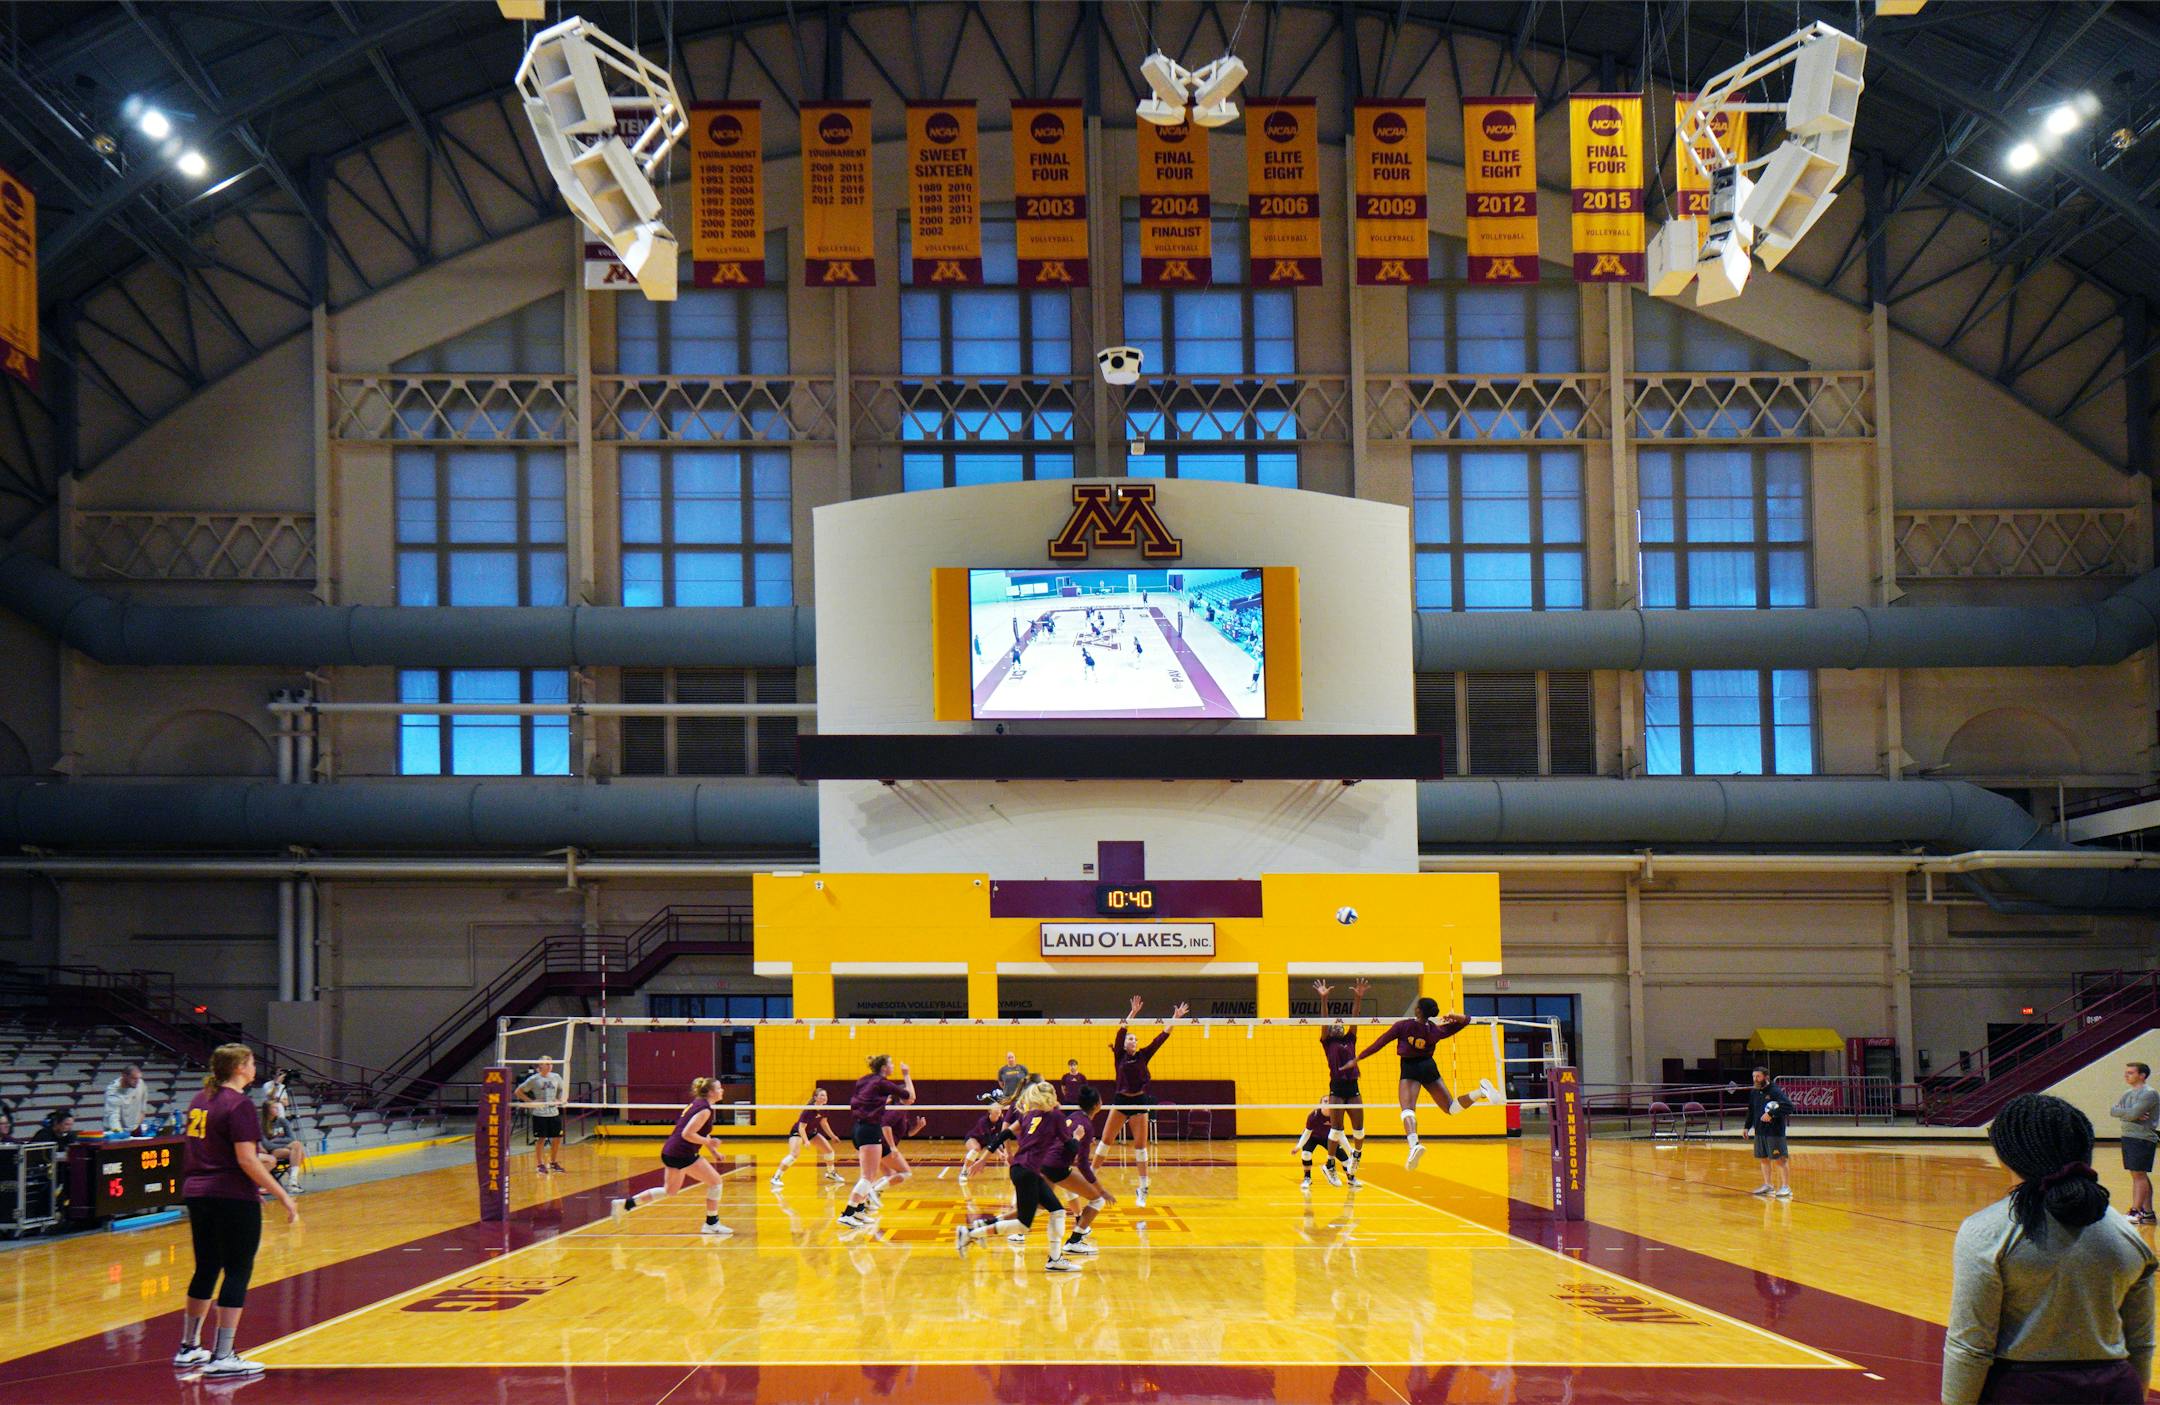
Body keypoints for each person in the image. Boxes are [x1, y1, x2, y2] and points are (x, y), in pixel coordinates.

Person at [1942, 1093, 2156, 1404]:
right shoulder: (2128, 1234)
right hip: (2114, 1389)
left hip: (2024, 1391)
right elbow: (2140, 1343)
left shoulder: (1986, 1231)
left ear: (2006, 1153)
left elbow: (1971, 1345)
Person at [175, 1043, 299, 1380]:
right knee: (237, 1270)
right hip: (229, 1194)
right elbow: (246, 1160)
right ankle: (224, 1354)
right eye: (251, 1062)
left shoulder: (201, 1099)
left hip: (198, 1193)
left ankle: (188, 1347)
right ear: (241, 1067)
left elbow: (220, 1152)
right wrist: (282, 1194)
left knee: (206, 1267)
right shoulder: (240, 1105)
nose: (255, 1067)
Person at [1357, 998, 1501, 1169]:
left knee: (1407, 1110)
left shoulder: (1403, 1026)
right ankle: (1480, 1092)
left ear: (1418, 1011)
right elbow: (1467, 1020)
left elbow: (1379, 1043)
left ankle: (1414, 1144)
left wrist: (1358, 1058)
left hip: (1410, 1068)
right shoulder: (1436, 1030)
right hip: (1428, 1066)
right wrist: (1453, 1015)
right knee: (1451, 1108)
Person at [955, 1082, 1082, 1273]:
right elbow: (1071, 1147)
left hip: (1021, 1169)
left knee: (1057, 1211)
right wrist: (1078, 1137)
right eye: (1055, 1093)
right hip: (1028, 1171)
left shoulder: (1028, 1115)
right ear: (1050, 1097)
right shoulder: (1055, 1116)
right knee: (1023, 1225)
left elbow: (1003, 1134)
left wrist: (983, 1159)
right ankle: (970, 1233)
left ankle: (1055, 1259)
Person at [610, 1076, 732, 1238]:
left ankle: (626, 1204)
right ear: (710, 1092)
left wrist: (714, 1152)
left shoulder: (700, 1104)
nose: (722, 1090)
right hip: (682, 1153)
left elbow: (702, 1131)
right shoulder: (704, 1109)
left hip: (671, 1151)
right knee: (715, 1182)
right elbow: (688, 1133)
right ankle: (711, 1223)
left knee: (670, 1190)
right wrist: (710, 1143)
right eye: (719, 1088)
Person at [1101, 995, 1187, 1207]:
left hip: (1139, 1102)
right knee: (1105, 1142)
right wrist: (1133, 1013)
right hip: (1121, 1101)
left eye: (1135, 1039)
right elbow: (1121, 1031)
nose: (1132, 1041)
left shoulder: (1143, 1056)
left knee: (1140, 1146)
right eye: (1130, 1039)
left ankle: (1143, 1187)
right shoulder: (1119, 1056)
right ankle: (1090, 1178)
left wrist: (1174, 1018)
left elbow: (1162, 1037)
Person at [839, 1055, 914, 1228]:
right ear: (884, 1067)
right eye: (891, 1064)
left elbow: (864, 1099)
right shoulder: (882, 1083)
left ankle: (858, 1211)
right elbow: (909, 1097)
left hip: (858, 1129)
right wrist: (906, 1075)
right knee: (868, 1177)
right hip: (870, 1130)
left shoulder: (864, 1080)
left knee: (868, 1175)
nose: (893, 1066)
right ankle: (848, 1213)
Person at [1313, 978, 1370, 1176]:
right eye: (1333, 1024)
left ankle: (1357, 1156)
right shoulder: (1327, 1042)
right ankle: (1329, 1164)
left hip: (1353, 1086)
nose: (1337, 1025)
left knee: (1359, 1129)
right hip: (1337, 1087)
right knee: (1336, 1129)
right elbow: (1324, 1020)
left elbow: (1355, 1017)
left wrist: (1358, 997)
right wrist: (1324, 999)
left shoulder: (1350, 1038)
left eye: (1339, 1023)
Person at [2111, 1062, 2158, 1226]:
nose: (2126, 1075)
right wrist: (2129, 1112)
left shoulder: (2149, 1094)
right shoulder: (2128, 1093)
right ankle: (2148, 1213)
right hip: (2129, 1136)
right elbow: (2113, 1110)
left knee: (2139, 1175)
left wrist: (2129, 1113)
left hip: (2142, 1137)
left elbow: (2132, 1114)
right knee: (2139, 1175)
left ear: (2142, 1075)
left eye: (2130, 1073)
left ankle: (2135, 1210)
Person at [771, 1087, 842, 1186]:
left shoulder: (824, 1108)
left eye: (825, 1095)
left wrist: (832, 1136)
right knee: (794, 1154)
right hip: (798, 1132)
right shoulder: (809, 1110)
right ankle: (776, 1177)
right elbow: (801, 1128)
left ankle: (831, 1173)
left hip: (811, 1132)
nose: (824, 1097)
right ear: (815, 1097)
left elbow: (824, 1123)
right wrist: (806, 1141)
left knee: (829, 1152)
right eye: (821, 1095)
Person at [514, 1056, 567, 1175]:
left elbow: (563, 1089)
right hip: (540, 1114)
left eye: (551, 1064)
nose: (549, 1066)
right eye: (546, 1064)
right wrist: (530, 1102)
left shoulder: (556, 1077)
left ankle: (553, 1162)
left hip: (554, 1113)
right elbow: (518, 1091)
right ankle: (540, 1164)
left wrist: (560, 1099)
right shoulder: (534, 1079)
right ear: (540, 1065)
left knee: (557, 1138)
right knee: (541, 1139)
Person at [257, 1075, 308, 1195]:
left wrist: (276, 1141)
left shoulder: (283, 1121)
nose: (278, 1110)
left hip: (283, 1148)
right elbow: (267, 1145)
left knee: (296, 1147)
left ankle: (292, 1182)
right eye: (275, 1108)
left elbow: (291, 1138)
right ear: (268, 1110)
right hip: (271, 1152)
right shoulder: (261, 1123)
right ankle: (292, 1183)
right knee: (298, 1149)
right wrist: (281, 1143)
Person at [1748, 1068, 1794, 1199]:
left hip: (1774, 1132)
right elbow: (1751, 1110)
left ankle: (1786, 1187)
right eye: (1754, 1076)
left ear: (1766, 1077)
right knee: (1763, 1158)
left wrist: (1771, 1113)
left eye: (1758, 1076)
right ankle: (1768, 1185)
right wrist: (1747, 1127)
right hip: (1760, 1131)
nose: (1755, 1079)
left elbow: (1788, 1106)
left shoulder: (1775, 1091)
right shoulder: (1754, 1092)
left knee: (1780, 1160)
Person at [1295, 1097, 1351, 1191]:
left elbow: (1341, 1135)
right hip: (1312, 1137)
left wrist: (1350, 1150)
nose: (1328, 1103)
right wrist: (1298, 1146)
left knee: (1346, 1160)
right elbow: (1307, 1132)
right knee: (1306, 1154)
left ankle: (1351, 1178)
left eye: (1330, 1101)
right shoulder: (1314, 1116)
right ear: (1321, 1104)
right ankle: (1307, 1178)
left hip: (1329, 1138)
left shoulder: (1336, 1116)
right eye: (1325, 1101)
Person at [959, 1097, 1014, 1184]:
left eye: (999, 1108)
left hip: (989, 1142)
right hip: (975, 1138)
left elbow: (1003, 1136)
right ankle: (964, 1172)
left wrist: (1004, 1151)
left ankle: (1013, 1174)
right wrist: (998, 1153)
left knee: (1006, 1155)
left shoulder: (1001, 1121)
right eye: (995, 1108)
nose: (998, 1110)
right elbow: (988, 1140)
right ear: (990, 1111)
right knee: (976, 1149)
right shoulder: (983, 1121)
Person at [105, 1065, 151, 1137]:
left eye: (138, 1078)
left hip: (135, 1127)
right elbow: (113, 1115)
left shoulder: (141, 1083)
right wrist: (120, 1134)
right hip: (117, 1128)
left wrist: (138, 1123)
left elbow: (143, 1105)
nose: (137, 1081)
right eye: (134, 1078)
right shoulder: (113, 1090)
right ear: (124, 1076)